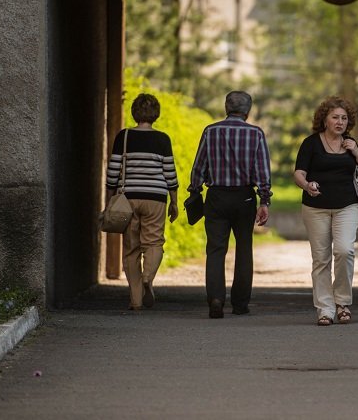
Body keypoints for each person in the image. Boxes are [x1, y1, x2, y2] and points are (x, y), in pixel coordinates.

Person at [188, 91, 271, 319]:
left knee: (215, 249)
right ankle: (240, 304)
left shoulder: (210, 131)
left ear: (226, 107)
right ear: (248, 110)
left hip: (216, 197)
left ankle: (215, 299)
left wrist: (195, 190)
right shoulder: (256, 134)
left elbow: (198, 167)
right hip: (244, 197)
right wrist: (264, 200)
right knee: (244, 249)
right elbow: (262, 170)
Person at [294, 96, 358, 326]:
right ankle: (325, 309)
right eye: (335, 117)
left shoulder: (350, 143)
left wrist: (357, 152)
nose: (340, 122)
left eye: (344, 118)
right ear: (325, 120)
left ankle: (343, 302)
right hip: (315, 208)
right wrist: (307, 185)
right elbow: (299, 173)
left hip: (347, 206)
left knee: (345, 251)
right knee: (321, 259)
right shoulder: (310, 143)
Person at [105, 93, 179, 311]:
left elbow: (113, 171)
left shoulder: (124, 136)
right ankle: (148, 277)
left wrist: (110, 198)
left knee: (131, 249)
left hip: (128, 198)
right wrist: (174, 201)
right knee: (154, 243)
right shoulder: (163, 139)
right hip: (156, 197)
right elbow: (170, 173)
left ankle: (135, 300)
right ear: (156, 114)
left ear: (134, 112)